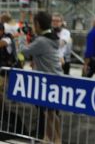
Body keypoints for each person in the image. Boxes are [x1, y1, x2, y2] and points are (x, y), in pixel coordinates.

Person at [18, 11, 62, 143]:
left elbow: (23, 51)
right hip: (52, 79)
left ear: (38, 24)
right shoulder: (50, 38)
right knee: (48, 113)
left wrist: (21, 37)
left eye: (33, 23)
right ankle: (47, 138)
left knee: (51, 113)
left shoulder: (42, 41)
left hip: (50, 81)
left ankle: (57, 139)